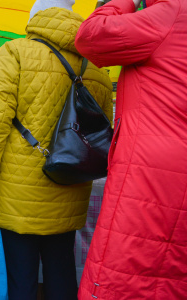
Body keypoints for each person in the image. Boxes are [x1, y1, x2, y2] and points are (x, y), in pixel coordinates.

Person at [0, 0, 114, 299]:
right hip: (71, 186)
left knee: (20, 281)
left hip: (18, 195)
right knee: (61, 275)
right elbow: (102, 134)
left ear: (35, 20)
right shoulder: (97, 68)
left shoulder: (15, 52)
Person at [75, 0, 187, 299]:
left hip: (151, 171)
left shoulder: (172, 12)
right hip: (172, 166)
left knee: (123, 273)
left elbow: (91, 36)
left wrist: (118, 2)